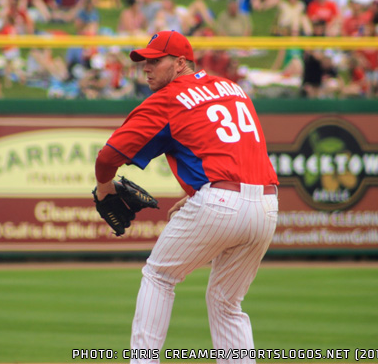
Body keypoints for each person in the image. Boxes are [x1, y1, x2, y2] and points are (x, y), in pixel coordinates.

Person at [94, 30, 279, 363]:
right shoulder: (233, 89)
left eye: (155, 61)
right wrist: (200, 193)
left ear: (180, 63)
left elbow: (107, 158)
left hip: (220, 202)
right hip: (267, 205)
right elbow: (235, 150)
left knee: (159, 275)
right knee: (226, 302)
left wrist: (104, 188)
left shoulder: (169, 99)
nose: (146, 68)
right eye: (143, 62)